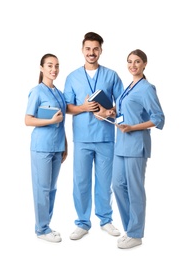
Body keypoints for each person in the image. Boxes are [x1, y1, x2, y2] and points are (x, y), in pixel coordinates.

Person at [63, 32, 124, 240]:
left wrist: (108, 112)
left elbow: (121, 105)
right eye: (88, 48)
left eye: (95, 49)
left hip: (106, 136)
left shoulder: (112, 75)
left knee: (105, 181)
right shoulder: (72, 77)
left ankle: (105, 220)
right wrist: (83, 107)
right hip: (82, 138)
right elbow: (67, 107)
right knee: (80, 181)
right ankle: (82, 223)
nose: (91, 52)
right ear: (82, 50)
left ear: (101, 51)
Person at [110, 49, 165, 249]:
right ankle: (130, 229)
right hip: (121, 144)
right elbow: (127, 111)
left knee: (135, 190)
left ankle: (136, 233)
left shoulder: (147, 88)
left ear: (144, 64)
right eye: (130, 61)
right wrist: (113, 111)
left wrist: (133, 127)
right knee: (117, 185)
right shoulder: (129, 87)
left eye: (137, 61)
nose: (133, 65)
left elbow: (158, 118)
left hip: (135, 145)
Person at [25, 53, 67, 243]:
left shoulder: (59, 93)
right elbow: (28, 119)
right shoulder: (37, 91)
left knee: (52, 188)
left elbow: (62, 121)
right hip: (41, 147)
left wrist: (65, 144)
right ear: (41, 68)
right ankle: (41, 229)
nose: (54, 69)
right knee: (41, 188)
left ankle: (46, 225)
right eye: (50, 65)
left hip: (57, 146)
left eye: (57, 66)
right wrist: (50, 120)